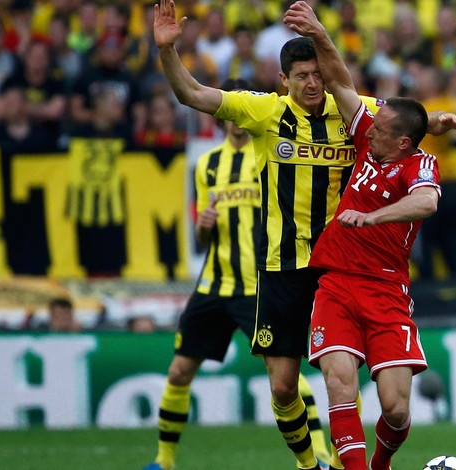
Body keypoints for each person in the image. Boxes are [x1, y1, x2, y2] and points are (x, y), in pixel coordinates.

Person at [153, 2, 456, 468]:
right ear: (284, 80)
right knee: (282, 386)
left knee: (344, 374)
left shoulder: (350, 113)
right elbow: (192, 94)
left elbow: (403, 120)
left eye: (317, 73)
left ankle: (343, 463)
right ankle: (308, 463)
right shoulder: (263, 112)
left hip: (340, 266)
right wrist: (168, 51)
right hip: (282, 264)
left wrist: (438, 119)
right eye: (301, 75)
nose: (313, 82)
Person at [283, 2, 456, 469]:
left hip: (387, 288)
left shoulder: (419, 164)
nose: (366, 127)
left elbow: (427, 203)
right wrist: (321, 33)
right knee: (339, 381)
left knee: (397, 408)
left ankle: (381, 463)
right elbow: (342, 82)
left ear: (403, 142)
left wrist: (375, 216)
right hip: (338, 281)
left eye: (380, 128)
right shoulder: (370, 134)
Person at [143, 78, 328, 470]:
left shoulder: (273, 152)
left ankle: (321, 454)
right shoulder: (208, 164)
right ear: (224, 115)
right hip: (214, 283)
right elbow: (200, 235)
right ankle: (163, 460)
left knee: (285, 377)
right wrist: (204, 225)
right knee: (178, 371)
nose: (239, 119)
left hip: (258, 284)